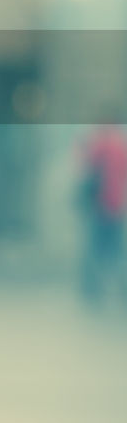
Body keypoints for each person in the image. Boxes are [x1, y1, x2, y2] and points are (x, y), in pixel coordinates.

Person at [77, 117, 127, 307]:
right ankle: (121, 288)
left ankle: (92, 288)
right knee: (116, 250)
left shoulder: (99, 143)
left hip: (100, 205)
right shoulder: (122, 144)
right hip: (117, 206)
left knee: (94, 249)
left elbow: (86, 170)